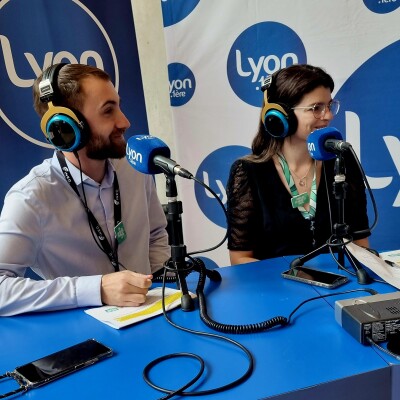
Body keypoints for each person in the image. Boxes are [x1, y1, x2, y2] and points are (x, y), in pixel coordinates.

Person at [0, 63, 170, 316]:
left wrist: (160, 285)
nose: (125, 122)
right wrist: (96, 289)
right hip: (84, 333)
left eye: (118, 106)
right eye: (108, 111)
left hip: (154, 315)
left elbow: (155, 234)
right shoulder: (31, 198)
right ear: (66, 127)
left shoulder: (134, 167)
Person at [226, 64, 370, 265]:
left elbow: (361, 246)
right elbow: (240, 258)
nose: (328, 115)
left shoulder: (343, 161)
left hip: (339, 282)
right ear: (280, 115)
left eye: (329, 106)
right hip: (275, 283)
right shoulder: (248, 172)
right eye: (316, 108)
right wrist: (294, 278)